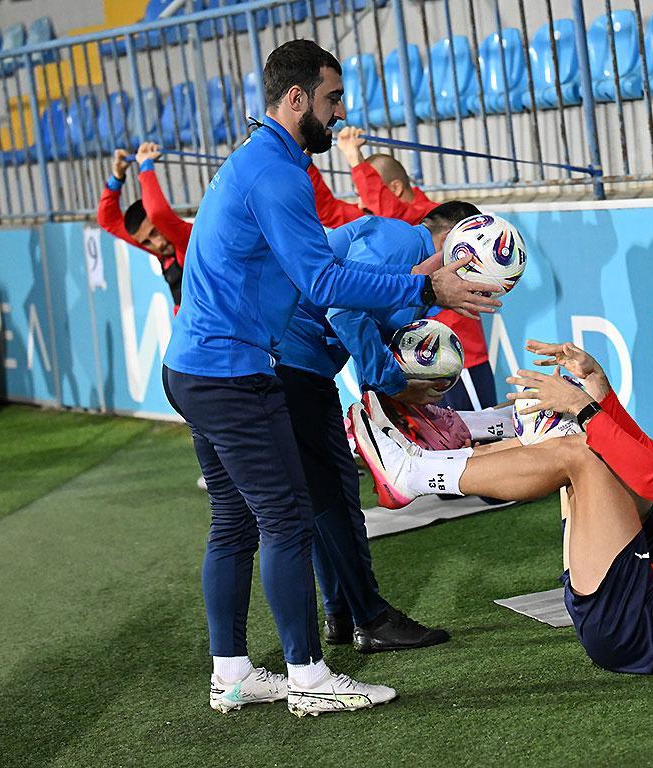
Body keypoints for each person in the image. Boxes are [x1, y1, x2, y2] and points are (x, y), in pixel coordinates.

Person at [161, 39, 499, 717]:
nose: (340, 113)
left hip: (195, 367)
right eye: (332, 98)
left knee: (234, 522)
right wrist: (426, 286)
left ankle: (232, 674)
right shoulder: (275, 173)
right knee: (286, 520)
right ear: (296, 98)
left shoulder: (262, 162)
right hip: (230, 372)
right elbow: (324, 283)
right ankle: (309, 678)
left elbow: (320, 275)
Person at [351, 344, 653, 674]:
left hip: (646, 630)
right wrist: (599, 392)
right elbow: (648, 455)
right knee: (592, 442)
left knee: (585, 452)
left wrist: (586, 411)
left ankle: (415, 473)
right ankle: (453, 443)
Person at [274, 200, 481, 654]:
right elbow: (344, 310)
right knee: (332, 499)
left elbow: (361, 320)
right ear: (454, 241)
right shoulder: (400, 239)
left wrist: (393, 390)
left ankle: (342, 613)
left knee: (324, 499)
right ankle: (369, 619)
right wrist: (393, 383)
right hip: (292, 365)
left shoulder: (401, 249)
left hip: (295, 365)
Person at [336, 126, 496, 411]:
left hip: (451, 350)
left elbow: (388, 208)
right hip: (417, 355)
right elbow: (329, 209)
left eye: (366, 190)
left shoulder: (429, 218)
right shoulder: (393, 230)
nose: (362, 202)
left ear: (394, 189)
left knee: (474, 431)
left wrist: (354, 159)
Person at [96, 142, 192, 313]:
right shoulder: (161, 250)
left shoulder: (187, 240)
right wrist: (117, 177)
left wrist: (146, 166)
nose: (158, 244)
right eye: (146, 242)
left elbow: (157, 213)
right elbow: (107, 220)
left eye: (155, 231)